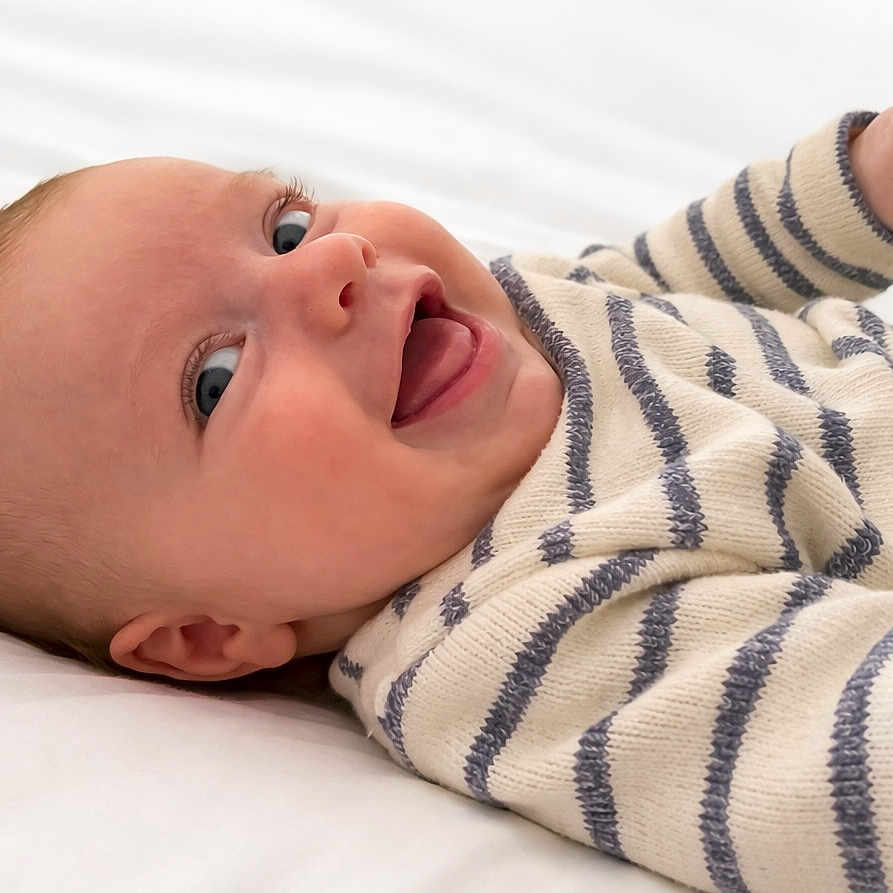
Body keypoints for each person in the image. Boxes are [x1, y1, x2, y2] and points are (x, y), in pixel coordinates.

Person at [2, 106, 892, 890]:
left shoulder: (507, 313)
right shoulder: (520, 641)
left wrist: (861, 182)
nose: (331, 265)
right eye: (216, 378)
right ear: (205, 637)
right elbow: (828, 760)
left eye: (286, 227)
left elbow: (683, 269)